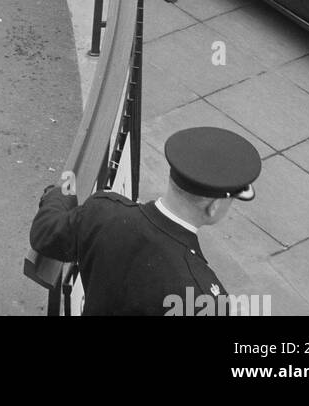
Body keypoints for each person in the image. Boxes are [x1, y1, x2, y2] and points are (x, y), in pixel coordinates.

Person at [28, 126, 262, 316]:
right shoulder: (202, 295)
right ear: (214, 206)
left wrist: (61, 194)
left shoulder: (103, 211)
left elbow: (45, 233)